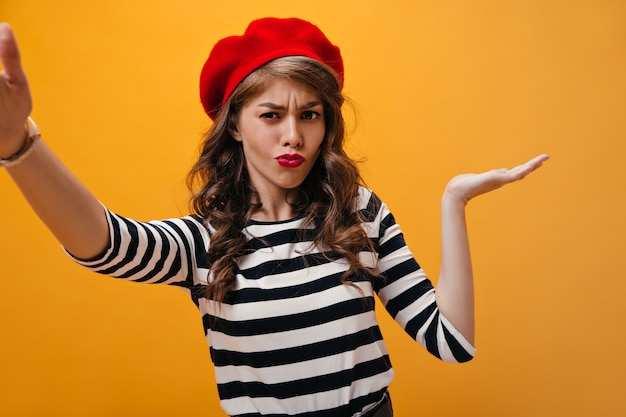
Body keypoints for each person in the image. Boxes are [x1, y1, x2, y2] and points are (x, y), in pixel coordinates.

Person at [0, 17, 548, 417]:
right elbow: (104, 241)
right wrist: (19, 146)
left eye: (310, 114)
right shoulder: (206, 242)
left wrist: (454, 202)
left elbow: (451, 342)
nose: (294, 135)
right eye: (271, 114)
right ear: (234, 125)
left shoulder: (358, 212)